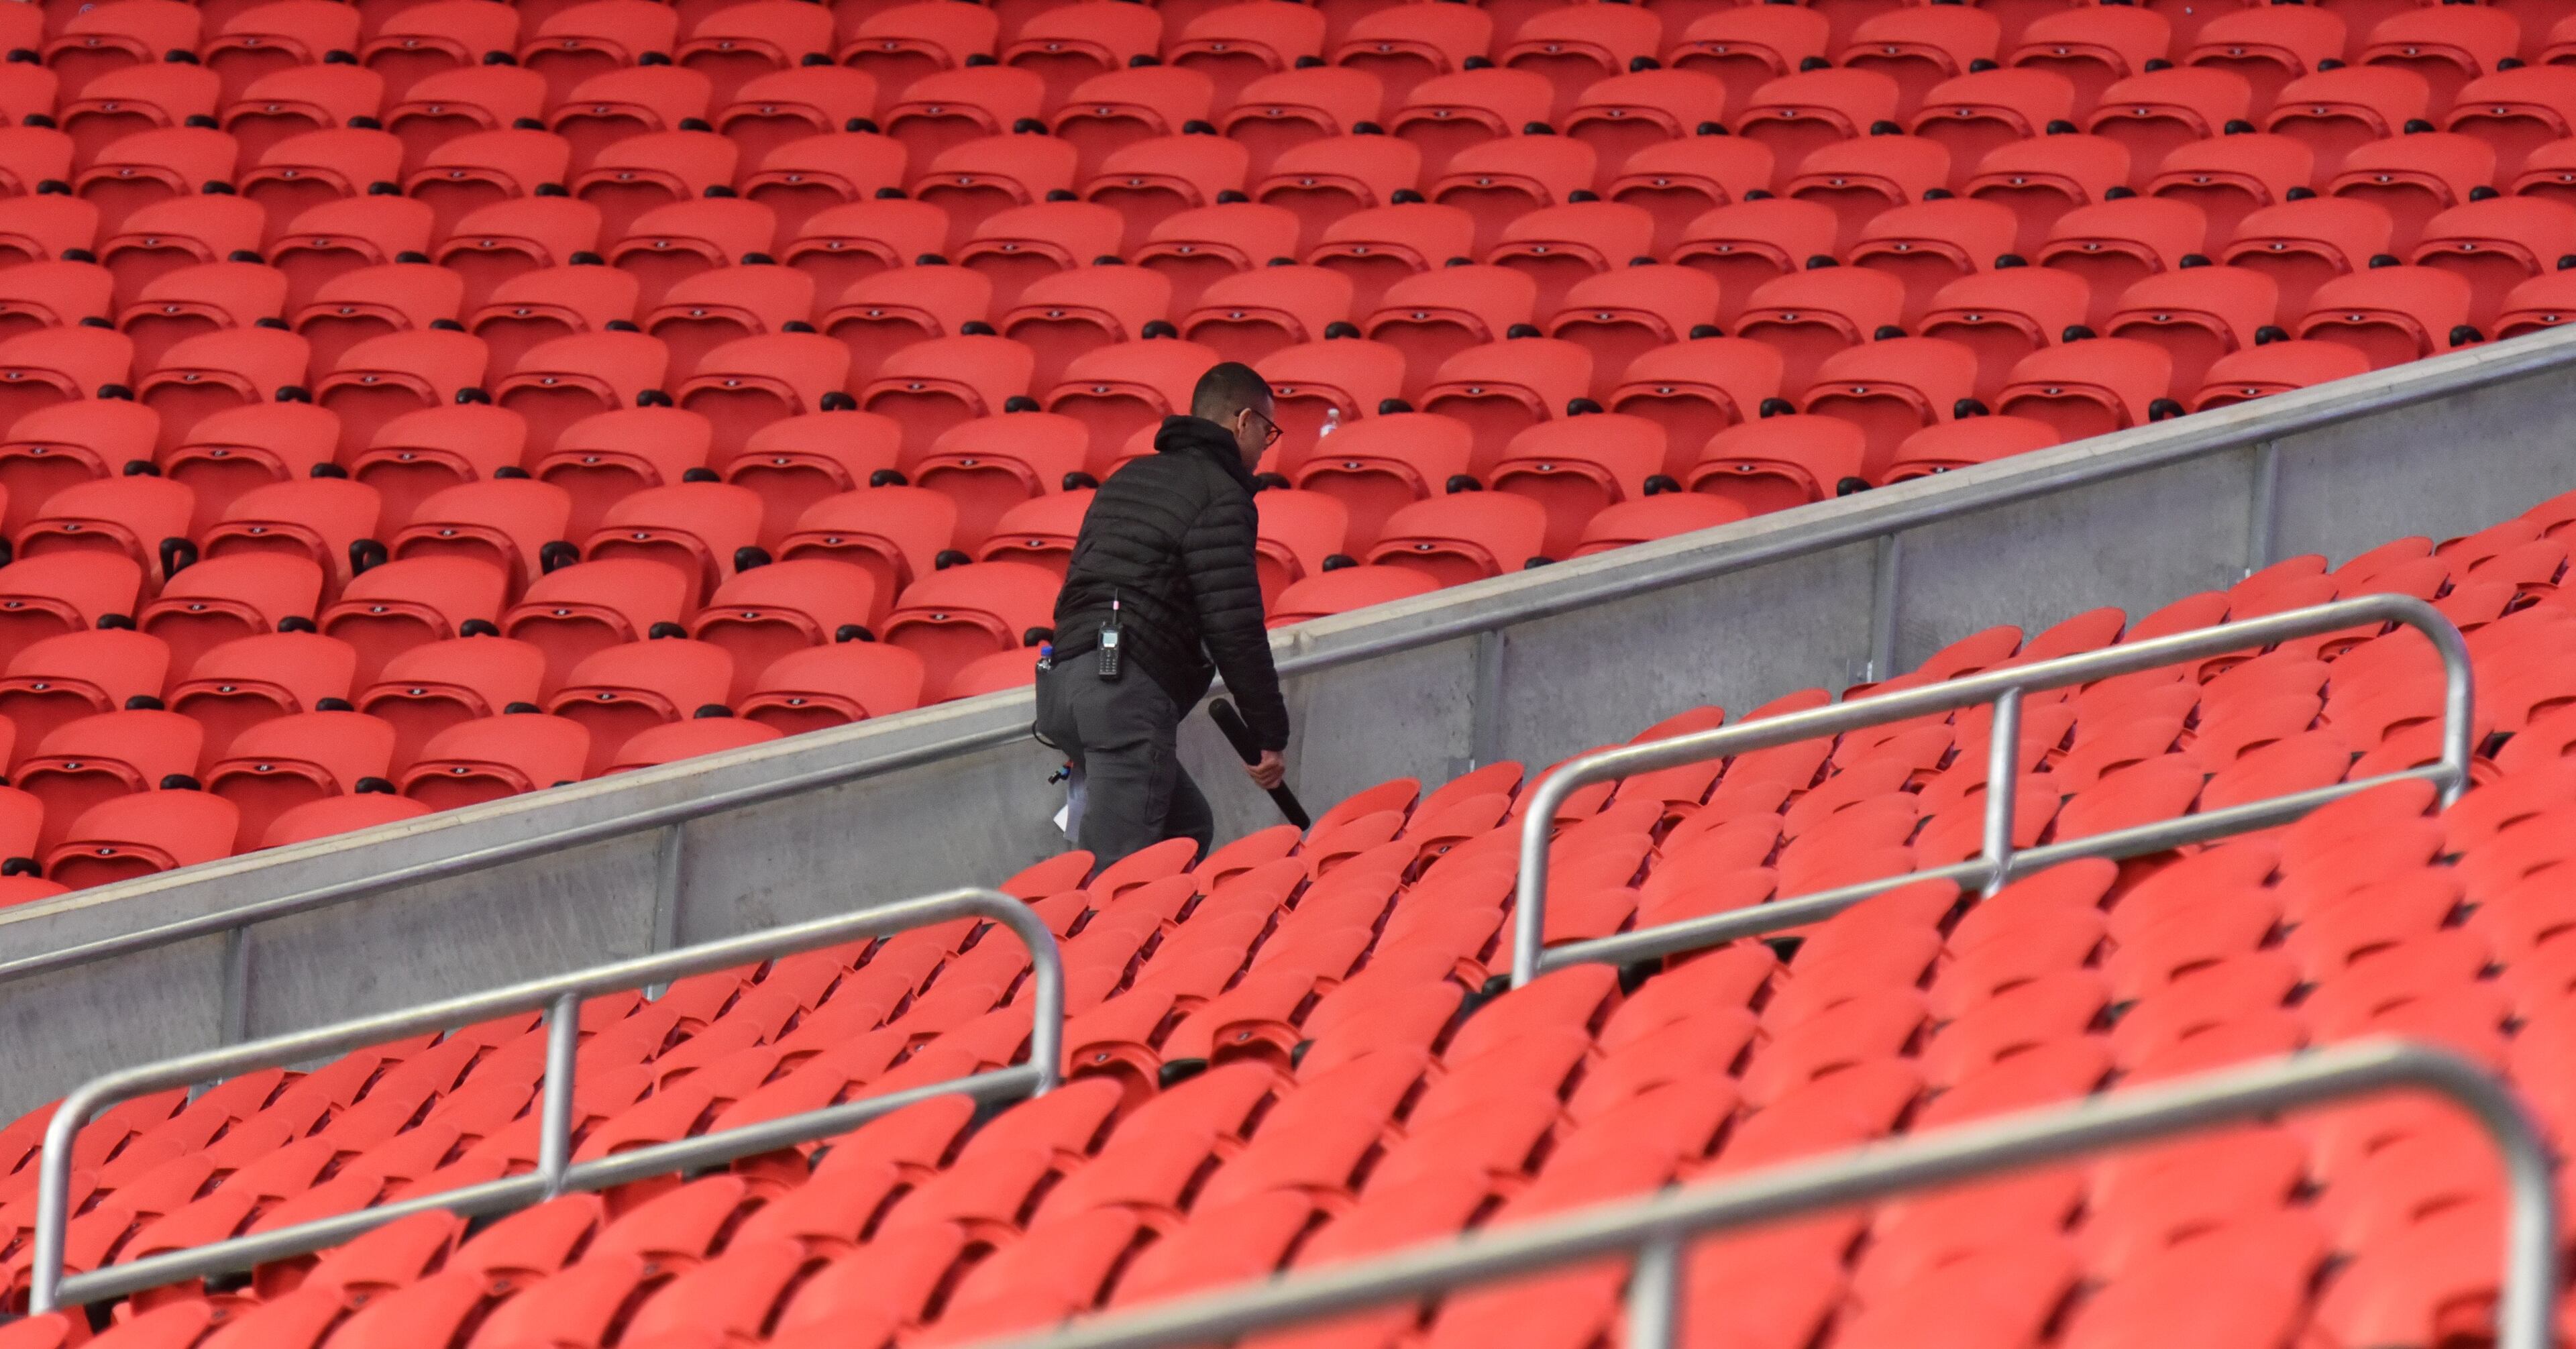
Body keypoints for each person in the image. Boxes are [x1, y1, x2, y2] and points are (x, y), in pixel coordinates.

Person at [1034, 361, 1291, 869]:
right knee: (1117, 879)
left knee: (1186, 830)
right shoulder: (1221, 495)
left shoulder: (1129, 477)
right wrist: (1267, 735)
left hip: (1062, 689)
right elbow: (1234, 624)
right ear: (1243, 422)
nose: (1267, 445)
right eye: (1268, 429)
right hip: (1121, 696)